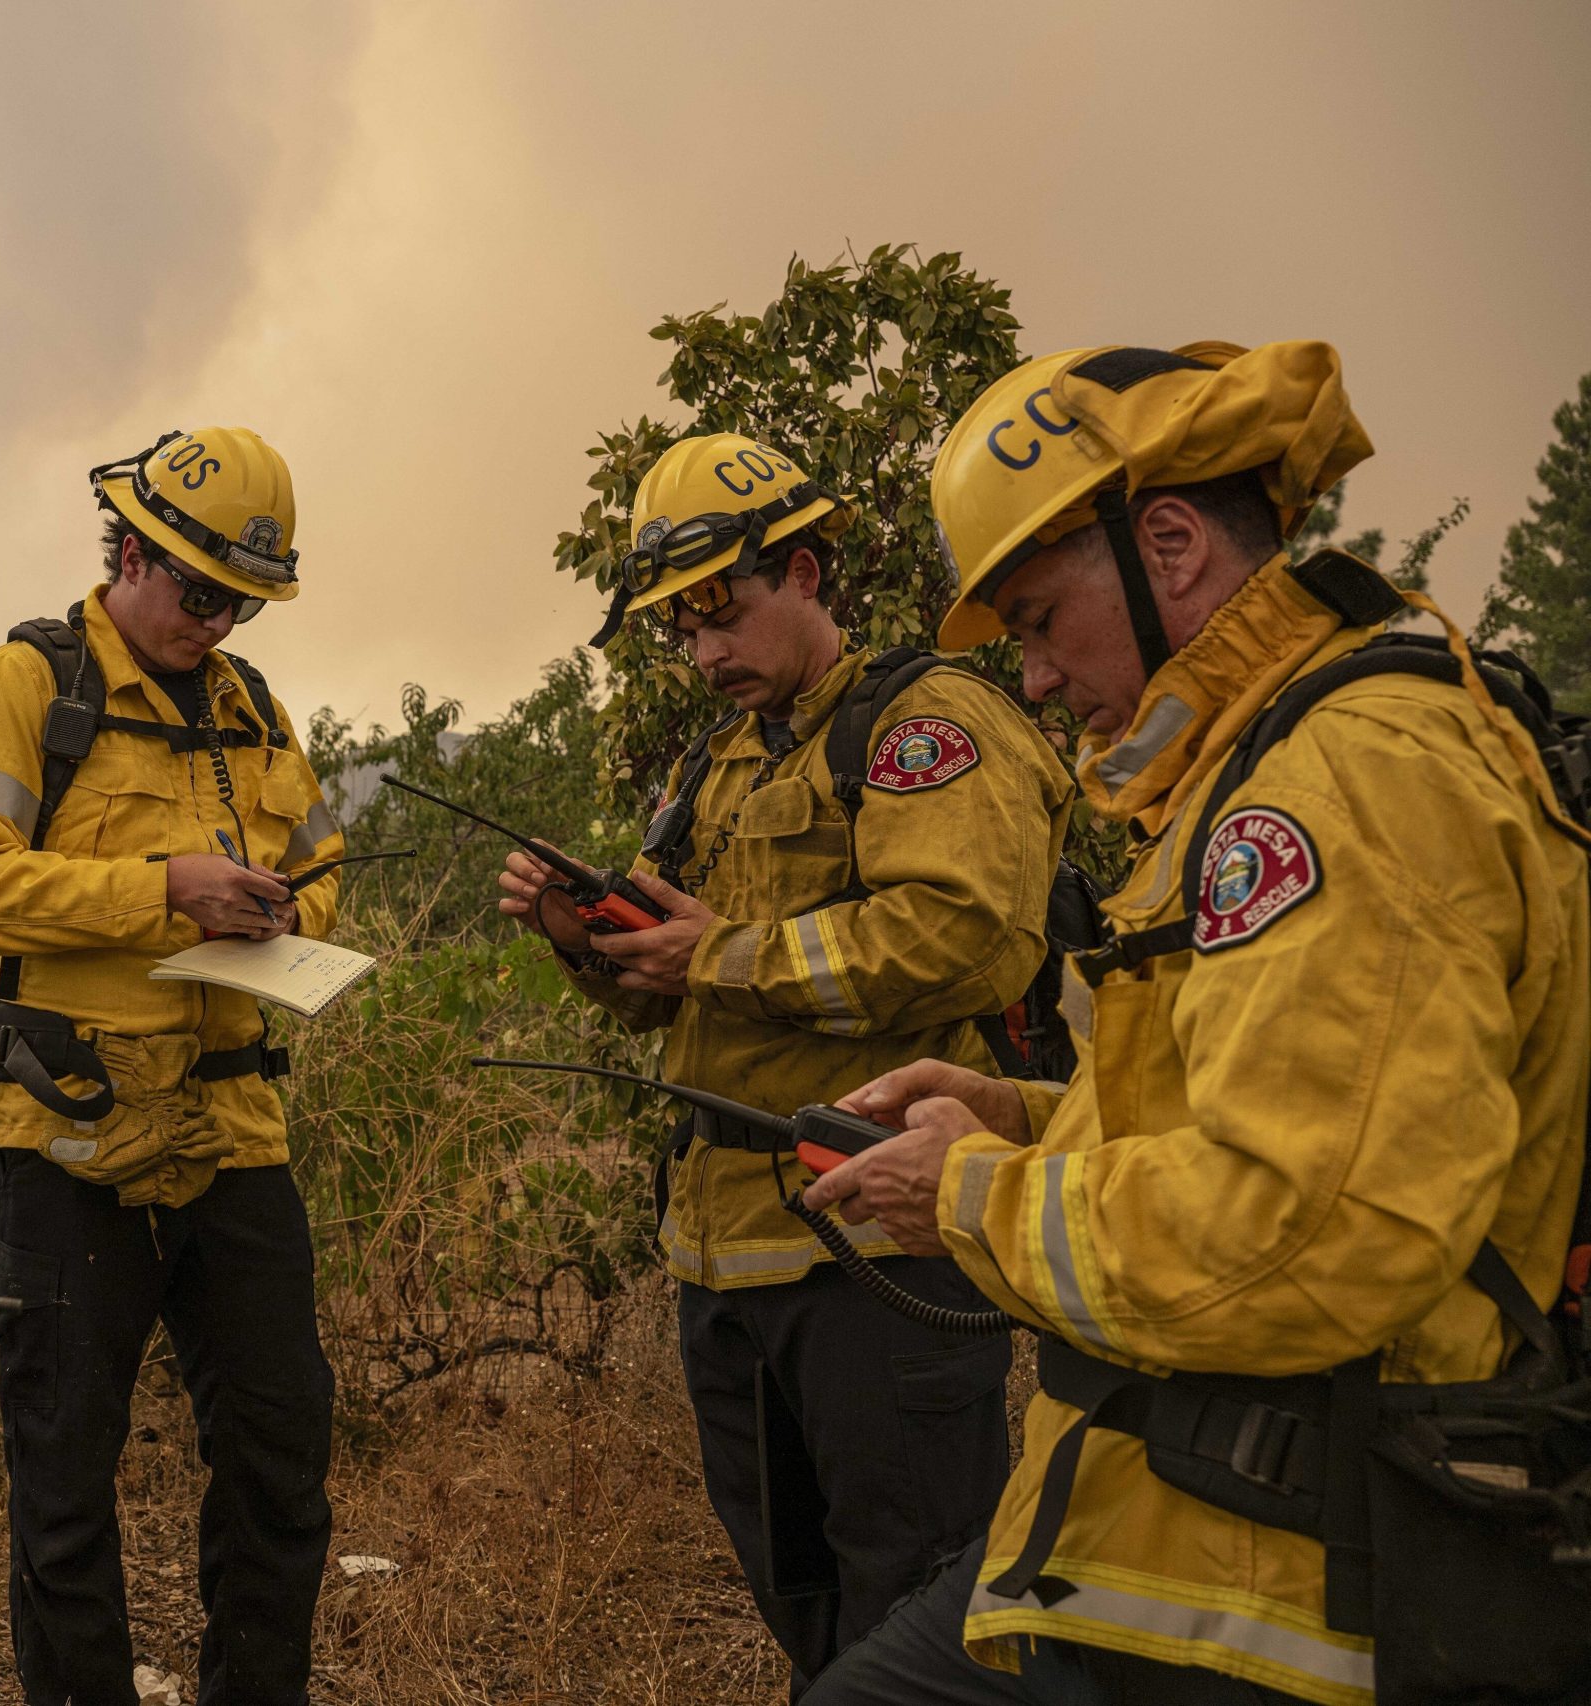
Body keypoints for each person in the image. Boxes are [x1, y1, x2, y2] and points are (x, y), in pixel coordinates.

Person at [798, 341, 1590, 1706]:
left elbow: (1306, 1222)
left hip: (1283, 1594)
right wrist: (1022, 1117)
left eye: (1040, 618)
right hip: (1160, 1541)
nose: (1035, 678)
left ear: (1167, 543)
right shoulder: (1254, 758)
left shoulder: (1345, 777)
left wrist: (975, 1197)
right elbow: (1257, 1118)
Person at [500, 433, 1076, 1696]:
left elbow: (969, 938)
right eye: (676, 627)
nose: (702, 651)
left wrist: (723, 952)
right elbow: (674, 1001)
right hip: (728, 1260)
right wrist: (586, 943)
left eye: (721, 610)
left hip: (877, 1245)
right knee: (807, 1607)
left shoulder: (925, 723)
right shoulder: (715, 765)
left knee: (927, 1603)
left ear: (805, 572)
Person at [0, 427, 346, 1706]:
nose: (216, 623)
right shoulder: (22, 685)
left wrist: (284, 917)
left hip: (232, 1141)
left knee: (281, 1461)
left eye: (241, 602)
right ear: (132, 551)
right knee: (62, 1484)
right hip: (65, 1142)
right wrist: (165, 891)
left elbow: (322, 871)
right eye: (200, 591)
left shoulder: (252, 709)